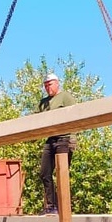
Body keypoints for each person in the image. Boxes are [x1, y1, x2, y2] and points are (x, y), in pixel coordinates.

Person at [38, 72, 76, 214]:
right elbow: (35, 119)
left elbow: (76, 114)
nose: (48, 88)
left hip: (65, 138)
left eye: (50, 84)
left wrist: (72, 138)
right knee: (44, 172)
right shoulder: (43, 103)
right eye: (45, 85)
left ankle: (63, 208)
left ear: (57, 83)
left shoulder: (65, 97)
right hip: (51, 139)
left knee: (62, 173)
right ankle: (51, 206)